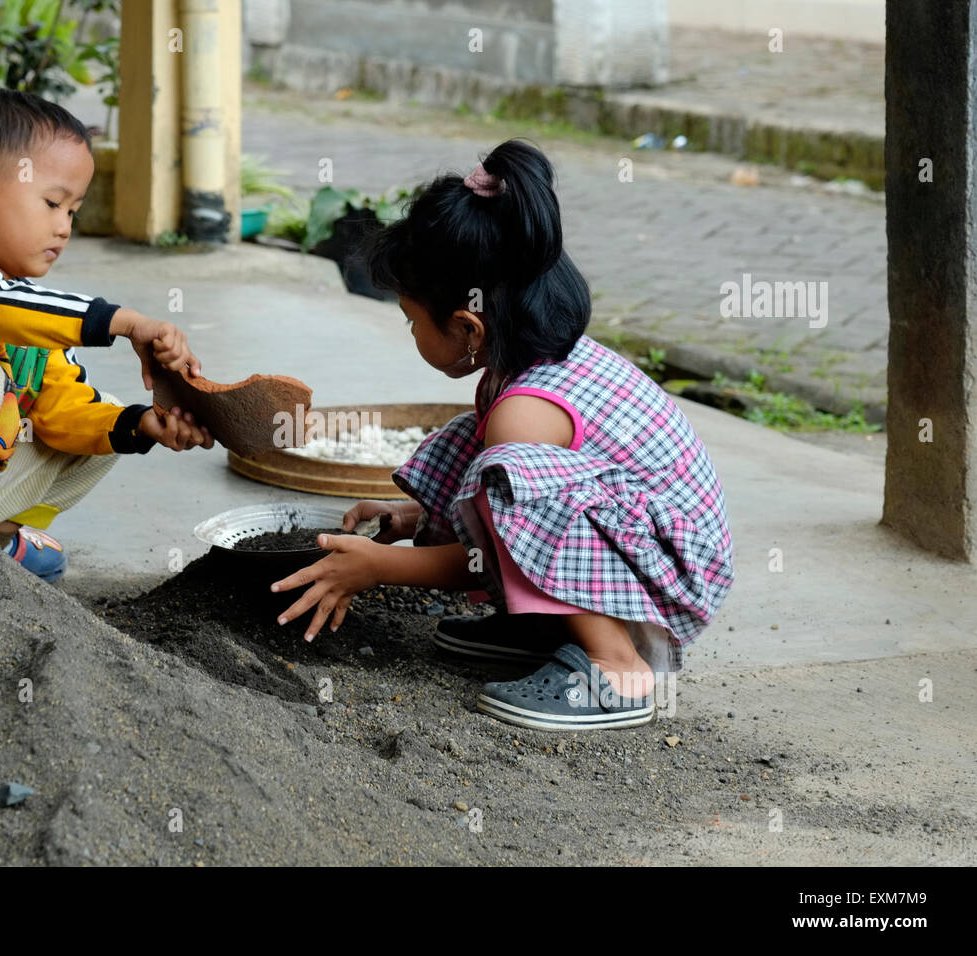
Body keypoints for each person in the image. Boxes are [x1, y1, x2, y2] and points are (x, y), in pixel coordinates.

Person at [271, 139, 735, 731]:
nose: (410, 332)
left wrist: (376, 567)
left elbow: (492, 551)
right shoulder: (523, 363)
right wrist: (411, 519)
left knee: (510, 477)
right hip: (643, 549)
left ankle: (618, 665)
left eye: (412, 320)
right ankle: (541, 626)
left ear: (467, 327)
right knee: (483, 454)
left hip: (671, 576)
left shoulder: (526, 412)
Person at [0, 90, 212, 583]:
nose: (65, 227)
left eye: (73, 211)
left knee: (104, 425)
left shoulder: (34, 319)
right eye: (52, 203)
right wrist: (126, 322)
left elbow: (63, 412)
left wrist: (143, 426)